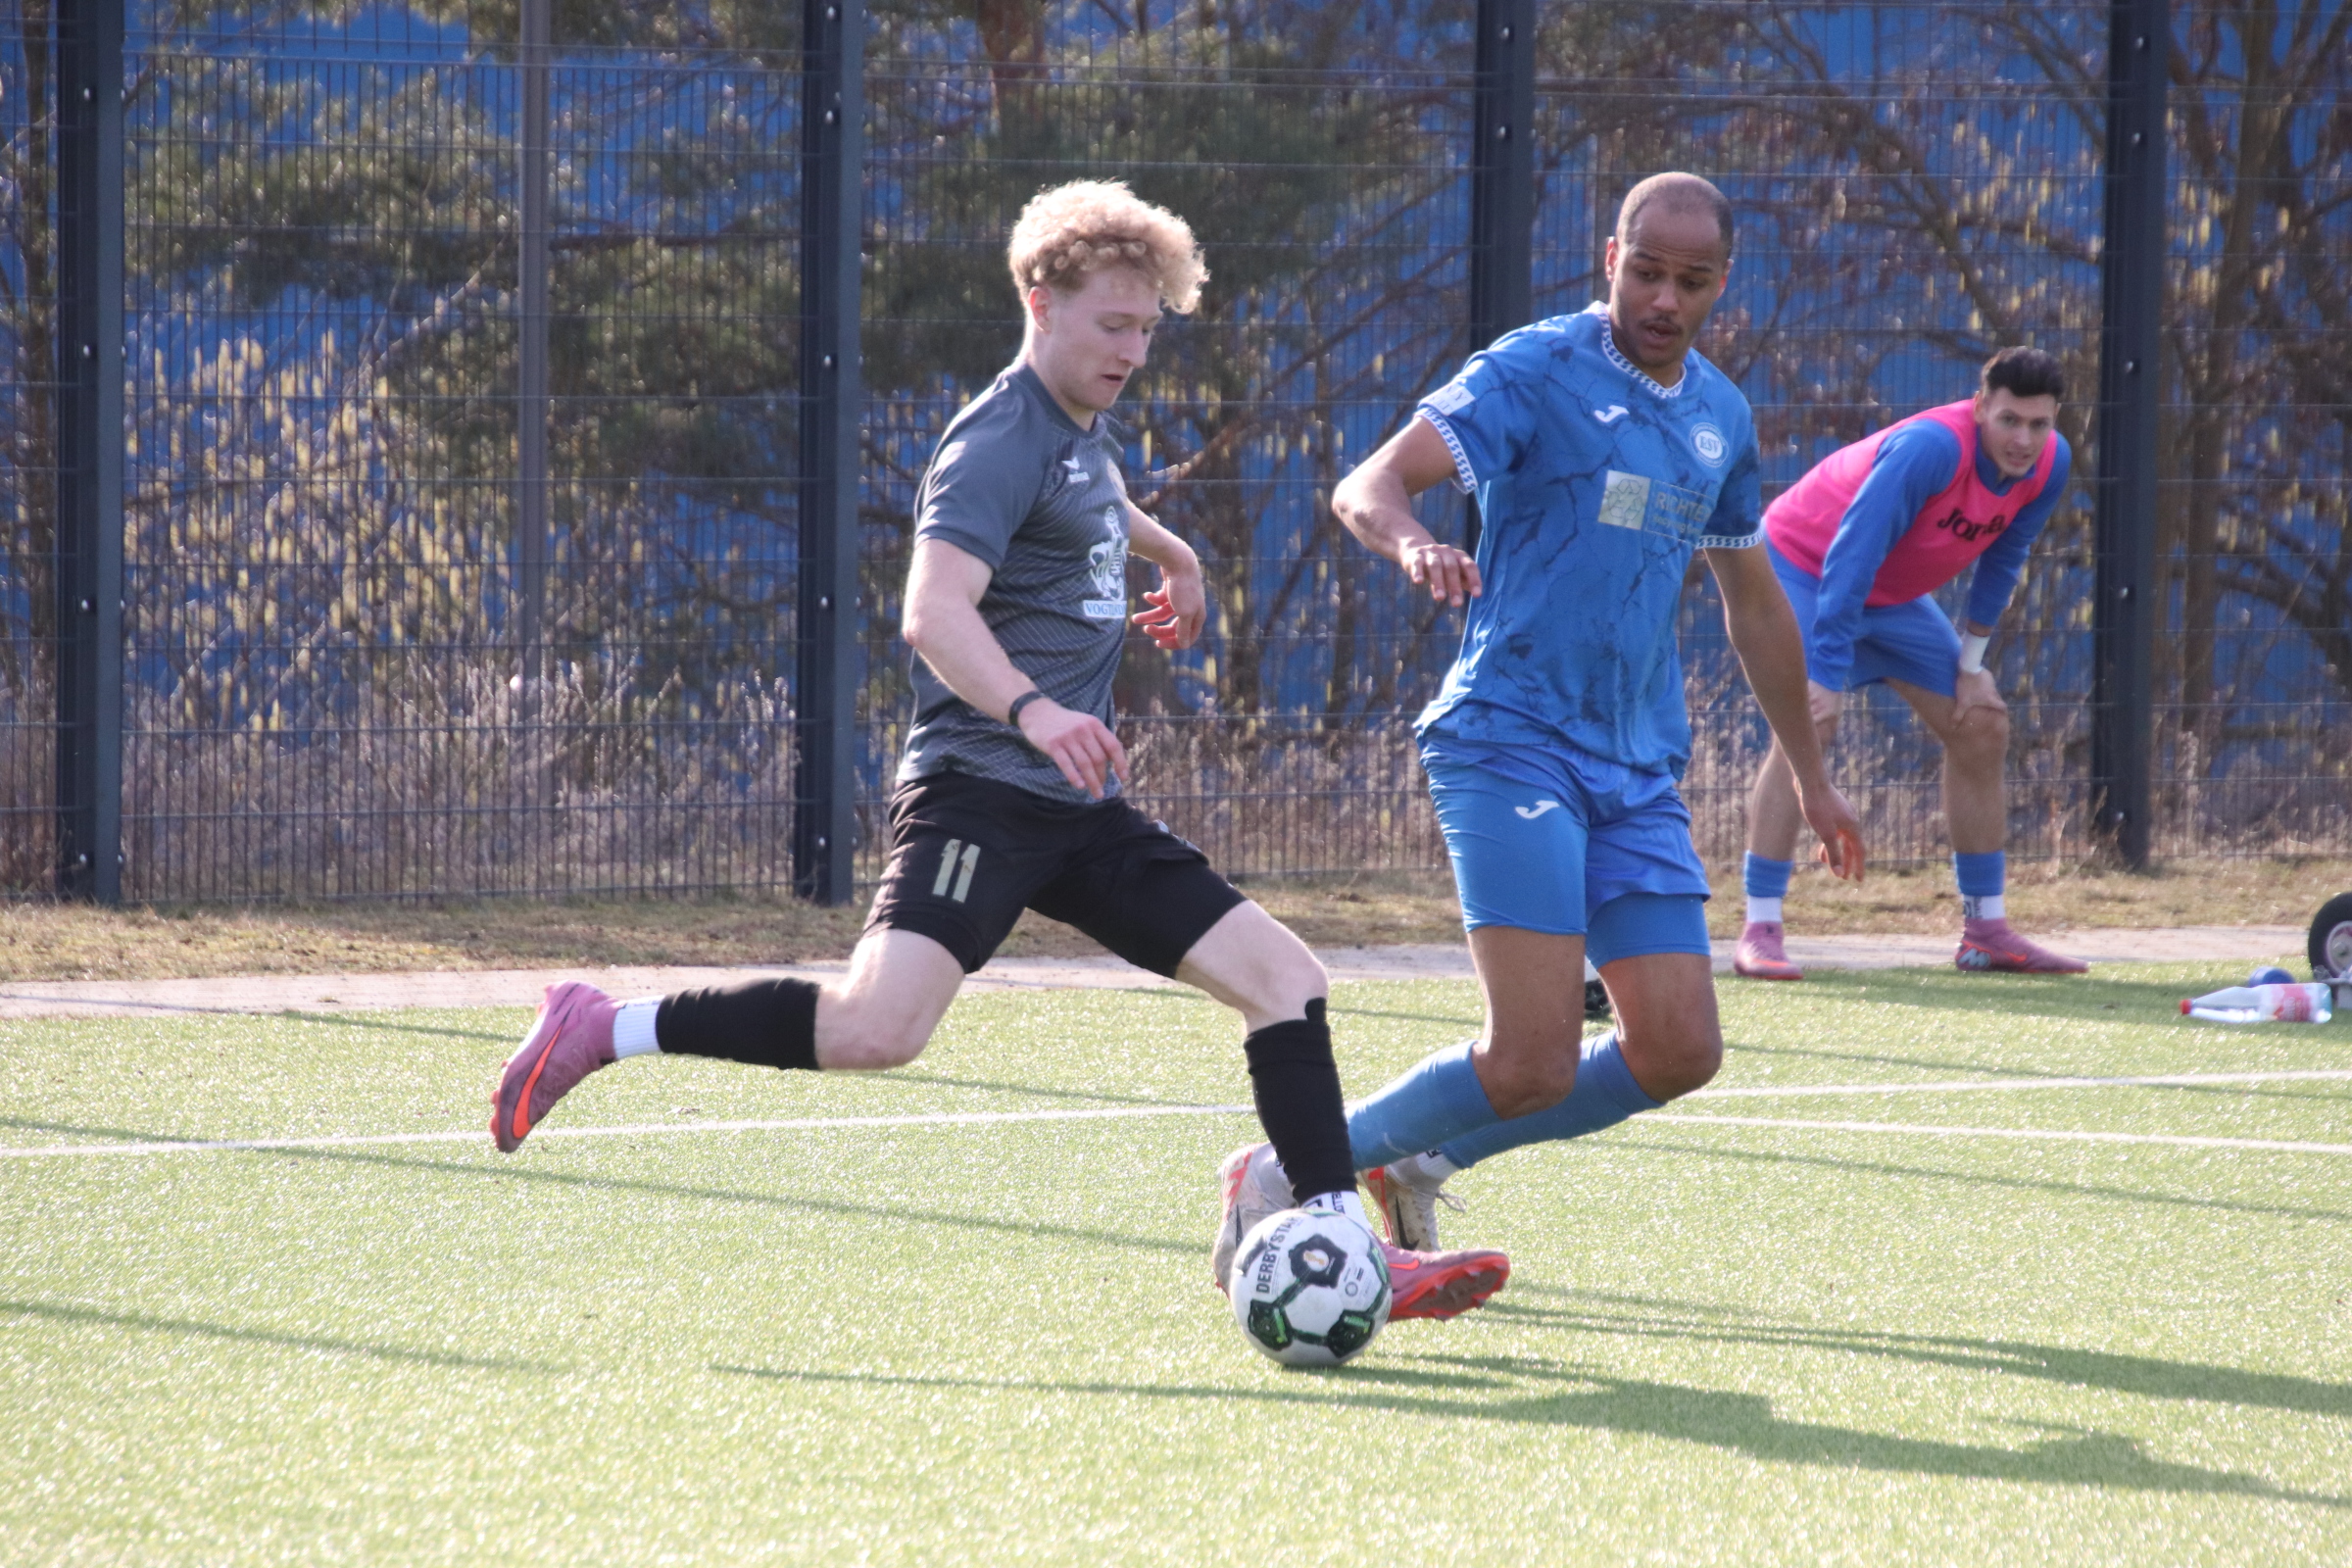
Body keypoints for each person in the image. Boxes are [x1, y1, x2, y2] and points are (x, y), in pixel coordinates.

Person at [489, 179, 1509, 1322]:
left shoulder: (1079, 431)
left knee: (1288, 981)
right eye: (1112, 325)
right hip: (978, 792)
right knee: (879, 1028)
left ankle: (1336, 1234)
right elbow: (931, 610)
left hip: (1077, 809)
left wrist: (1178, 557)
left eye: (1147, 328)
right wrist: (1034, 709)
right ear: (1040, 302)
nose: (1133, 351)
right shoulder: (996, 437)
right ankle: (602, 1026)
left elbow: (1094, 504)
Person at [1215, 172, 1865, 1251]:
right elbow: (1367, 485)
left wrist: (1810, 775)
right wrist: (1413, 542)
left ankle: (1420, 1159)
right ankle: (1288, 1167)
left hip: (1634, 768)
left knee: (1679, 1049)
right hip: (1509, 740)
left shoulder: (1721, 416)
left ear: (1722, 285)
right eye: (1645, 272)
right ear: (1610, 260)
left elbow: (1755, 606)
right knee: (1530, 1060)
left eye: (1692, 281)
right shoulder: (1537, 368)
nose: (1664, 299)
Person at [1734, 348, 2085, 980]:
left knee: (1982, 724)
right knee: (1808, 727)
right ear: (1979, 408)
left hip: (1888, 595)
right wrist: (1826, 675)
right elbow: (1850, 556)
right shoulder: (1930, 449)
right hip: (1803, 566)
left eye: (2039, 424)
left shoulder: (2049, 464)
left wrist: (1972, 665)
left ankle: (1985, 933)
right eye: (2009, 420)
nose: (2024, 440)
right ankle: (1760, 929)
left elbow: (2006, 555)